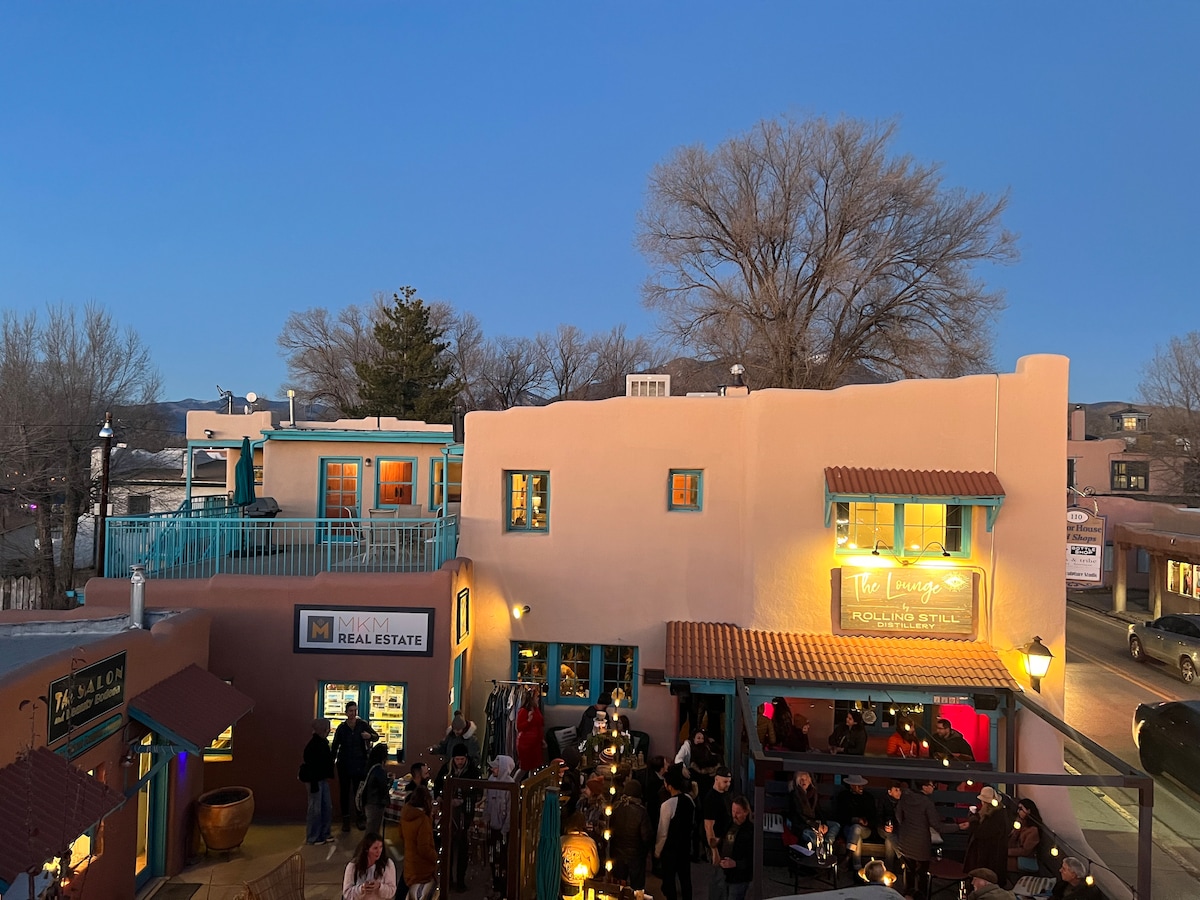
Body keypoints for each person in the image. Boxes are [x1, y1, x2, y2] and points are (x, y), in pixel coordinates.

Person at [433, 742, 481, 892]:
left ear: (466, 758)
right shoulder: (446, 768)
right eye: (457, 759)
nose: (459, 762)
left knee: (462, 847)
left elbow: (477, 791)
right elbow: (437, 785)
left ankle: (460, 880)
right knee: (447, 845)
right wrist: (442, 798)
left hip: (465, 813)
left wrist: (464, 799)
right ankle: (447, 880)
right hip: (449, 813)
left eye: (462, 759)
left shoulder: (473, 771)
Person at [333, 701, 379, 832]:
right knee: (345, 792)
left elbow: (376, 737)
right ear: (346, 712)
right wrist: (332, 762)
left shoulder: (362, 725)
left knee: (359, 793)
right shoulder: (341, 728)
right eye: (351, 711)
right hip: (344, 764)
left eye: (355, 711)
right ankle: (346, 820)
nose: (353, 713)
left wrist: (369, 736)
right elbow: (335, 746)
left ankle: (360, 818)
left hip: (360, 764)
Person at [895, 780, 942, 900]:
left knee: (908, 871)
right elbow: (936, 824)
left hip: (905, 840)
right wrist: (958, 827)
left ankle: (907, 895)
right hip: (921, 842)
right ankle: (921, 897)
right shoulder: (927, 803)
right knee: (922, 874)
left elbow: (898, 815)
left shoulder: (905, 797)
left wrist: (905, 826)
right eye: (932, 785)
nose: (933, 788)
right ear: (924, 787)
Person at [655, 767, 696, 900]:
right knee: (685, 879)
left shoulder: (667, 805)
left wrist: (657, 850)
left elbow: (663, 832)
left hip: (671, 850)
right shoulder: (689, 800)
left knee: (669, 880)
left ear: (669, 786)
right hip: (685, 846)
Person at [960, 787, 1010, 888]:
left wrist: (972, 820)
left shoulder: (995, 816)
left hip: (989, 855)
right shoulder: (998, 813)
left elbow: (981, 833)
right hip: (991, 853)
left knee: (987, 878)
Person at [609, 778, 653, 890]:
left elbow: (610, 829)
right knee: (637, 887)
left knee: (619, 886)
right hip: (636, 855)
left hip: (618, 853)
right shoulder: (641, 812)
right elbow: (646, 837)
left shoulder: (616, 808)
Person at [486, 755, 516, 898]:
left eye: (496, 767)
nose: (492, 769)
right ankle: (495, 884)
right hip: (492, 827)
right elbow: (487, 802)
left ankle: (503, 888)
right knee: (492, 857)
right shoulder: (491, 781)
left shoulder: (510, 785)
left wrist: (505, 829)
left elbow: (511, 811)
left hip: (503, 830)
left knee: (503, 859)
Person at [785, 770, 839, 848]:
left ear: (809, 781)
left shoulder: (813, 793)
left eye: (805, 779)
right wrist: (816, 826)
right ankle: (815, 855)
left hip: (813, 822)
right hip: (801, 825)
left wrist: (824, 824)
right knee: (813, 839)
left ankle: (827, 845)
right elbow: (800, 815)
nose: (803, 782)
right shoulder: (795, 794)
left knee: (835, 825)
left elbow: (819, 810)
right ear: (797, 781)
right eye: (801, 779)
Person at [833, 774, 877, 871]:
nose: (861, 787)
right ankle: (857, 867)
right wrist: (854, 820)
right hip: (849, 828)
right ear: (852, 785)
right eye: (858, 785)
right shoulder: (844, 797)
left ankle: (847, 858)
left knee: (856, 829)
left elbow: (874, 817)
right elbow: (840, 816)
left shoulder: (868, 798)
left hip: (865, 830)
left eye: (862, 785)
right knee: (856, 833)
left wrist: (866, 822)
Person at [702, 766, 734, 900]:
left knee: (723, 878)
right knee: (717, 879)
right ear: (716, 779)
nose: (728, 784)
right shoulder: (711, 799)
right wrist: (714, 851)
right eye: (725, 782)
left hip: (725, 841)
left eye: (729, 781)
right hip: (717, 844)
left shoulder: (725, 794)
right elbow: (708, 826)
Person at [303, 717, 336, 845]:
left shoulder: (322, 742)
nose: (328, 730)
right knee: (315, 809)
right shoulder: (314, 745)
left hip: (321, 779)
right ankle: (313, 836)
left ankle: (324, 833)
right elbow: (313, 765)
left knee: (326, 807)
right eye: (327, 728)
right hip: (314, 780)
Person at [401, 788, 437, 900]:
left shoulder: (405, 815)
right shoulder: (423, 820)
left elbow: (401, 835)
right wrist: (436, 857)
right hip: (422, 870)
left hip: (409, 865)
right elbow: (424, 849)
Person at [718, 796, 754, 900]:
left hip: (739, 877)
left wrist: (735, 863)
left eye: (738, 812)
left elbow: (752, 858)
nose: (734, 815)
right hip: (725, 873)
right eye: (733, 811)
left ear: (746, 812)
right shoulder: (730, 824)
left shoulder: (750, 832)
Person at [342, 831, 398, 899]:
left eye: (381, 847)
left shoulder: (387, 864)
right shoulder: (353, 866)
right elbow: (347, 893)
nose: (379, 851)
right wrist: (361, 889)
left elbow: (392, 891)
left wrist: (379, 886)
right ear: (366, 849)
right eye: (375, 848)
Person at [360, 743, 393, 838]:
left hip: (369, 803)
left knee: (371, 829)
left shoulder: (371, 767)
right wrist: (390, 781)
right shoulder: (379, 770)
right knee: (373, 831)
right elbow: (384, 788)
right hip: (376, 804)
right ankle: (367, 850)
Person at [1007, 798, 1042, 876]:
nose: (1018, 811)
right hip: (1015, 854)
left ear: (1028, 811)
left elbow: (1026, 851)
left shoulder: (1033, 830)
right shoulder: (1020, 823)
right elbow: (1011, 840)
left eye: (1020, 809)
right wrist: (1016, 831)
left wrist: (1007, 852)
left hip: (1023, 858)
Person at [515, 688, 544, 775]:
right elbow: (519, 727)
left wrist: (541, 739)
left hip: (535, 744)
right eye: (536, 697)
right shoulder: (523, 711)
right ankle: (512, 785)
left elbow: (539, 725)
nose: (538, 699)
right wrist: (528, 720)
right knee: (524, 768)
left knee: (534, 768)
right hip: (526, 745)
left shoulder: (536, 710)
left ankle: (530, 787)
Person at [878, 780, 905, 871]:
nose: (899, 792)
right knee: (889, 834)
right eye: (896, 790)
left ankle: (888, 870)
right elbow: (879, 817)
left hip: (897, 830)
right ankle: (902, 857)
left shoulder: (902, 802)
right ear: (890, 792)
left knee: (889, 841)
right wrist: (884, 826)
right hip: (883, 829)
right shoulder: (883, 800)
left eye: (900, 790)